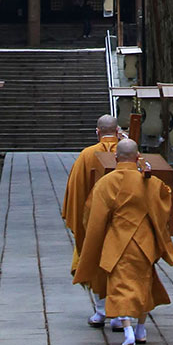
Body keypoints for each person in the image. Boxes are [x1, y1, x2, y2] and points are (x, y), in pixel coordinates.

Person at [72, 139, 173, 345]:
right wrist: (146, 173)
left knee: (121, 286)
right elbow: (165, 198)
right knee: (143, 284)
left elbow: (93, 216)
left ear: (116, 158)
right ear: (138, 156)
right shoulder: (150, 181)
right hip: (144, 242)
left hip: (118, 241)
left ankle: (127, 331)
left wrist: (93, 242)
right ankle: (140, 329)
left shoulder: (106, 183)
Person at [63, 114, 123, 326]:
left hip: (94, 221)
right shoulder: (128, 154)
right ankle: (120, 314)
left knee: (95, 261)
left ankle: (101, 310)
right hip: (125, 222)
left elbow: (76, 190)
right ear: (117, 132)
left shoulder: (87, 155)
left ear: (97, 132)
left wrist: (80, 219)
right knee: (121, 265)